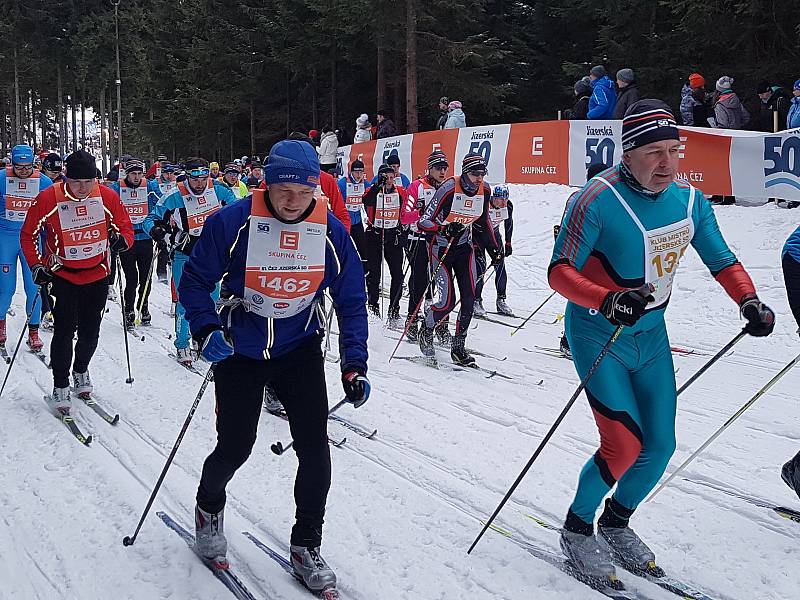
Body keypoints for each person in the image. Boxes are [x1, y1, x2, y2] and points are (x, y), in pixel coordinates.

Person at [549, 99, 774, 587]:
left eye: (674, 150)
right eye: (653, 152)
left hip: (651, 336)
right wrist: (606, 300)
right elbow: (559, 273)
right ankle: (577, 527)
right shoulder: (596, 198)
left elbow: (721, 258)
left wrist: (749, 300)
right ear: (628, 152)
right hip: (598, 333)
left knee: (661, 444)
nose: (667, 164)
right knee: (623, 444)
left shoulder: (690, 201)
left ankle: (616, 522)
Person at [179, 139, 368, 595]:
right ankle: (208, 510)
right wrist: (206, 329)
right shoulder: (234, 220)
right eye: (282, 189)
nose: (291, 200)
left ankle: (306, 544)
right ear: (266, 182)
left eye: (303, 192)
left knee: (314, 447)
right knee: (236, 446)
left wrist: (353, 363)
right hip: (240, 351)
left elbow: (352, 298)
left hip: (298, 348)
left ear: (315, 190)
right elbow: (195, 280)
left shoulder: (330, 231)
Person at [20, 150, 133, 413]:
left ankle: (80, 371)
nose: (83, 188)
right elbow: (28, 235)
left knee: (91, 331)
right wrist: (37, 265)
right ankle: (60, 384)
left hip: (97, 273)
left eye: (88, 181)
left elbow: (125, 227)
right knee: (64, 330)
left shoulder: (107, 196)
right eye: (76, 182)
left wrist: (121, 241)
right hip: (63, 276)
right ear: (66, 178)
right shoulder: (49, 197)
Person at [143, 157, 236, 365]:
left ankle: (202, 337)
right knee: (186, 302)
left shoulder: (219, 190)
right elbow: (150, 220)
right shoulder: (174, 195)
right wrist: (159, 233)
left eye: (204, 179)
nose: (200, 185)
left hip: (212, 255)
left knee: (211, 301)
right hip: (185, 253)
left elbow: (236, 212)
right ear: (187, 178)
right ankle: (182, 343)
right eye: (195, 180)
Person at [417, 153, 502, 365]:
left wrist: (495, 249)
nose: (479, 178)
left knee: (469, 298)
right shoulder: (448, 188)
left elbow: (484, 221)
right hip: (441, 249)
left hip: (465, 249)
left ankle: (458, 347)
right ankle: (426, 329)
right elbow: (423, 221)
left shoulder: (485, 190)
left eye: (482, 173)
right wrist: (443, 228)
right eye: (475, 173)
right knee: (446, 303)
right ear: (465, 172)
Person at [0, 144, 53, 351]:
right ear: (11, 164)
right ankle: (1, 324)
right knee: (6, 288)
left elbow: (52, 214)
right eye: (18, 167)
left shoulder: (44, 182)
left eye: (27, 167)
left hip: (32, 238)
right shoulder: (2, 178)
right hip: (6, 236)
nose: (23, 172)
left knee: (35, 287)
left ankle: (33, 331)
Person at [401, 150, 450, 341]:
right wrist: (422, 211)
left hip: (439, 240)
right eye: (438, 168)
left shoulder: (447, 187)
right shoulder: (417, 186)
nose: (442, 171)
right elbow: (404, 216)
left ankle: (440, 322)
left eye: (444, 168)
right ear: (429, 168)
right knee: (420, 282)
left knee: (444, 284)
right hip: (418, 239)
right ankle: (412, 320)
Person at [109, 158, 162, 327]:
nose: (137, 177)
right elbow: (109, 211)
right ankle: (129, 309)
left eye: (140, 174)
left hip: (146, 238)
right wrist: (112, 233)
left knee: (146, 278)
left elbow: (160, 206)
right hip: (127, 240)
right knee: (131, 278)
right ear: (127, 173)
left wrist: (158, 226)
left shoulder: (150, 186)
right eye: (133, 174)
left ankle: (143, 306)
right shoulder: (117, 188)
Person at [361, 163, 408, 325]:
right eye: (385, 178)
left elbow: (405, 210)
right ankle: (373, 307)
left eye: (391, 177)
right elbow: (365, 200)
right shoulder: (373, 191)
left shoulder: (400, 191)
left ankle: (394, 311)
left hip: (392, 236)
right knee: (374, 275)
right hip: (374, 236)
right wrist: (377, 185)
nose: (389, 181)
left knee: (398, 275)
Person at [473, 184, 514, 317]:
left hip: (494, 235)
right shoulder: (484, 204)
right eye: (500, 199)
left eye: (505, 199)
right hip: (479, 236)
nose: (503, 202)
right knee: (480, 267)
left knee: (500, 266)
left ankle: (501, 300)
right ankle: (476, 301)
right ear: (493, 198)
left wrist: (508, 242)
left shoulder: (508, 206)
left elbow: (509, 223)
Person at [337, 159, 368, 268]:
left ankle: (365, 271)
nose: (359, 175)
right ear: (351, 172)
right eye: (356, 172)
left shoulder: (365, 183)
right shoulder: (342, 183)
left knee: (363, 248)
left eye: (361, 172)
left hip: (357, 221)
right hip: (344, 221)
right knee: (345, 248)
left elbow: (372, 194)